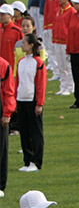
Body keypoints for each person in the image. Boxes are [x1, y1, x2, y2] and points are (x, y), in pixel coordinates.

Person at [15, 33, 46, 172]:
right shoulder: (21, 61)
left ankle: (36, 161)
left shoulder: (38, 62)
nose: (22, 45)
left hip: (32, 100)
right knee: (24, 131)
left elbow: (40, 84)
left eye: (24, 43)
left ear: (31, 45)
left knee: (35, 132)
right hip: (21, 99)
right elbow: (18, 81)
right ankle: (27, 160)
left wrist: (39, 103)